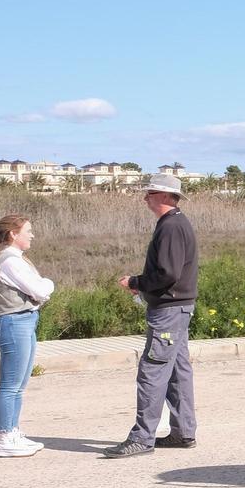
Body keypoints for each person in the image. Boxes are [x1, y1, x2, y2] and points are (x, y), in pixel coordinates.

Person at [104, 173, 198, 458]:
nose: (146, 198)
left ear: (167, 197)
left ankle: (142, 438)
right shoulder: (175, 223)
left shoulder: (171, 227)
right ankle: (183, 432)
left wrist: (136, 282)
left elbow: (167, 273)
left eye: (152, 193)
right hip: (177, 307)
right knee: (177, 372)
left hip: (169, 310)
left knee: (152, 372)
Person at [0, 212, 54, 458]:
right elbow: (40, 289)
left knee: (19, 385)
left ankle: (13, 431)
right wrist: (48, 284)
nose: (32, 235)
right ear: (14, 234)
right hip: (15, 324)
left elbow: (38, 291)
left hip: (23, 322)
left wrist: (42, 288)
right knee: (11, 385)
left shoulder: (15, 260)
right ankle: (5, 437)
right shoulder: (10, 262)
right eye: (28, 231)